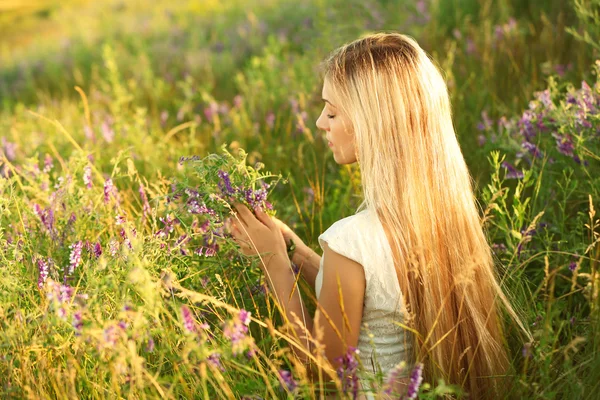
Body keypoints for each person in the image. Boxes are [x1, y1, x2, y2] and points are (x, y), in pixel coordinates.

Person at [229, 32, 530, 399]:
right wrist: (296, 251)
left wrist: (274, 262)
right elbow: (371, 295)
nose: (321, 122)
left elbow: (322, 375)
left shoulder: (352, 241)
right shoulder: (442, 219)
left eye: (333, 111)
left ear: (374, 122)